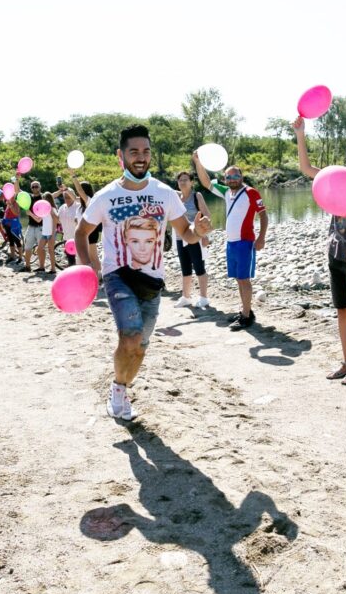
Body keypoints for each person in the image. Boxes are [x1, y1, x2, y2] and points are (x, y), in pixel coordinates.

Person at [76, 124, 212, 420]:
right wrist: (86, 267)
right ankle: (117, 393)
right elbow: (81, 231)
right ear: (120, 156)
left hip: (153, 281)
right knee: (131, 337)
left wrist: (198, 231)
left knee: (140, 347)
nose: (141, 157)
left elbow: (185, 234)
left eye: (146, 151)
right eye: (134, 151)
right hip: (118, 276)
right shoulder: (105, 196)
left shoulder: (164, 193)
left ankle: (120, 387)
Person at [292, 117, 346, 385]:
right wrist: (300, 134)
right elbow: (306, 168)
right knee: (341, 311)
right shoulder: (337, 179)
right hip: (335, 256)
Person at [194, 157, 267, 330]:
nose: (232, 179)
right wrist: (198, 162)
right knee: (238, 279)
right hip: (231, 242)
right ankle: (245, 311)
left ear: (241, 177)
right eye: (228, 177)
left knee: (244, 279)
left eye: (235, 176)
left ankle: (247, 316)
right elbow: (206, 183)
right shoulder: (226, 192)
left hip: (245, 242)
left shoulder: (251, 192)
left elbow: (263, 215)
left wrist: (261, 237)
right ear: (225, 179)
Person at [171, 170, 211, 309]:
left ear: (191, 182)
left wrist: (204, 235)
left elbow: (206, 216)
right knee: (185, 268)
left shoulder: (196, 196)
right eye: (180, 180)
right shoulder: (175, 197)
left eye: (185, 179)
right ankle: (186, 297)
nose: (182, 182)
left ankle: (204, 298)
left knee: (199, 267)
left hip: (195, 237)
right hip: (179, 237)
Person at [55, 187, 83, 267]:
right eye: (65, 197)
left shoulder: (79, 206)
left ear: (73, 196)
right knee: (70, 259)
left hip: (77, 238)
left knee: (80, 260)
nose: (67, 199)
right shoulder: (62, 207)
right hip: (67, 237)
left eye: (68, 197)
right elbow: (58, 220)